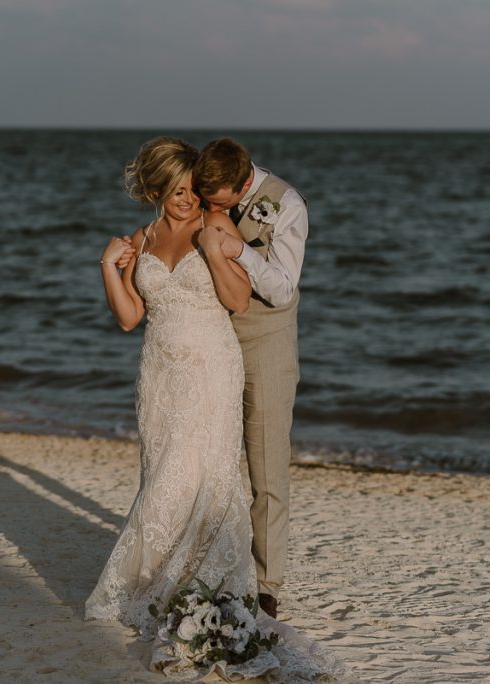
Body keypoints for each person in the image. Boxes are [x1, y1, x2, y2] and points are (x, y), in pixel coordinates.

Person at [85, 138, 346, 681]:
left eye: (193, 191)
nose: (188, 201)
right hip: (160, 371)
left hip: (211, 364)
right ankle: (154, 574)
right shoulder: (145, 237)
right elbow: (131, 316)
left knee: (210, 474)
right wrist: (109, 267)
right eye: (178, 192)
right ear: (157, 192)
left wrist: (216, 246)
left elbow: (235, 299)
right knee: (163, 476)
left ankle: (253, 585)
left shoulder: (216, 225)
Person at [193, 138, 309, 621]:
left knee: (266, 466)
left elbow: (283, 288)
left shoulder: (287, 204)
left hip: (267, 341)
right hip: (209, 336)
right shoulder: (203, 190)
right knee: (205, 458)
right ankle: (204, 563)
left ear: (243, 183)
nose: (211, 209)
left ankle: (266, 584)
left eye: (219, 201)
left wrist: (239, 251)